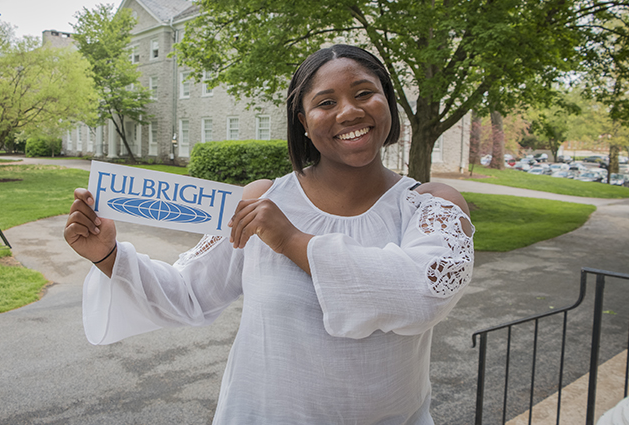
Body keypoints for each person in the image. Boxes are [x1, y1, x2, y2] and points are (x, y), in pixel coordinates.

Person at [64, 44, 474, 424]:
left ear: (388, 100)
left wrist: (291, 240)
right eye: (326, 102)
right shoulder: (262, 199)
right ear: (303, 121)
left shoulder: (431, 205)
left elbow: (422, 294)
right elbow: (189, 293)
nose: (348, 112)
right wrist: (107, 254)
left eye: (364, 93)